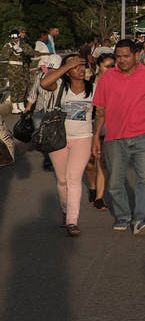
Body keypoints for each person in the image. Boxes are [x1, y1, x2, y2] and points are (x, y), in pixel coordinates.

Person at [92, 40, 145, 235]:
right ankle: (123, 215)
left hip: (144, 136)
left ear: (137, 55)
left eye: (126, 56)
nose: (122, 60)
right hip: (114, 138)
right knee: (115, 183)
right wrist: (96, 137)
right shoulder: (106, 78)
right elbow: (100, 111)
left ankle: (141, 219)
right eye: (118, 56)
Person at [39, 54, 96, 236]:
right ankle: (65, 211)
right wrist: (65, 67)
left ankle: (72, 220)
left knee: (73, 178)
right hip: (59, 138)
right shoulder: (60, 88)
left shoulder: (93, 88)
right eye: (75, 66)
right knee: (62, 179)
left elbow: (101, 111)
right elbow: (44, 83)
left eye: (82, 65)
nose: (80, 69)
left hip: (83, 137)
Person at [85, 53, 116, 211]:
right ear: (98, 67)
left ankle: (99, 197)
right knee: (90, 163)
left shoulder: (116, 83)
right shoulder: (89, 84)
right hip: (88, 126)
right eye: (107, 66)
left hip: (107, 127)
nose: (111, 69)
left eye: (113, 66)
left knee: (102, 161)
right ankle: (92, 187)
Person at [2, 30, 32, 111]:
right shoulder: (8, 46)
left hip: (22, 68)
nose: (15, 39)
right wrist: (11, 49)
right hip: (12, 69)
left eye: (16, 37)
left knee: (23, 86)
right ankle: (15, 105)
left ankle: (21, 102)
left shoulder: (23, 45)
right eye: (13, 38)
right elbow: (4, 56)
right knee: (14, 86)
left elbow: (31, 52)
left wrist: (23, 50)